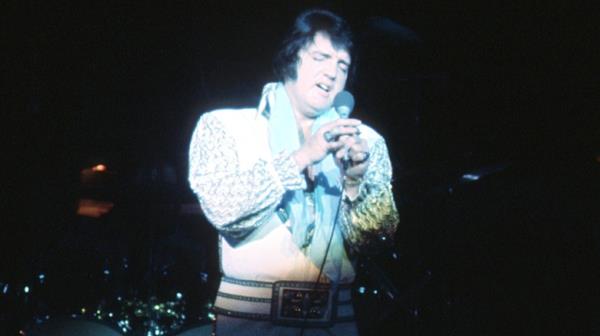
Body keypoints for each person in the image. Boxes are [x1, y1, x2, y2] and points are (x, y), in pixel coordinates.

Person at [188, 8, 399, 335]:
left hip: (335, 323)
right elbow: (223, 210)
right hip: (250, 323)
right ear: (291, 59)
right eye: (321, 57)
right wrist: (301, 157)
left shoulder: (365, 142)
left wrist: (355, 182)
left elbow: (377, 243)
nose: (332, 72)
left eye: (342, 65)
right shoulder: (226, 127)